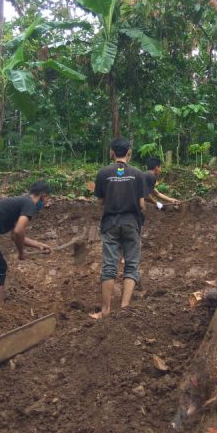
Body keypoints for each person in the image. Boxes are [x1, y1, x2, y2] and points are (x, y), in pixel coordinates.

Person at [0, 181, 52, 307]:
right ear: (43, 195)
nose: (46, 203)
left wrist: (39, 245)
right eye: (47, 199)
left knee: (0, 267)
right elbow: (19, 231)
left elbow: (14, 234)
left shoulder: (22, 202)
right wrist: (21, 252)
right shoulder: (29, 203)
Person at [90, 137, 146, 319]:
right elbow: (142, 205)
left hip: (110, 224)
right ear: (129, 152)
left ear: (111, 152)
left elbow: (99, 201)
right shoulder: (138, 174)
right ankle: (124, 308)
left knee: (109, 265)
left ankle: (105, 311)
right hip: (131, 223)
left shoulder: (103, 173)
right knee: (131, 265)